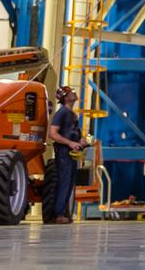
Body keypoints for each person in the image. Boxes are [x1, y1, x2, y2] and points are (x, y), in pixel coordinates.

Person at [48, 86, 88, 224]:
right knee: (64, 183)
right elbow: (52, 133)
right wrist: (70, 143)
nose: (74, 93)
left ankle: (64, 212)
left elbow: (73, 132)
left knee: (70, 183)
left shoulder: (71, 114)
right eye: (71, 92)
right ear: (65, 97)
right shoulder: (62, 113)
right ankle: (58, 214)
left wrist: (81, 140)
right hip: (64, 153)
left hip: (72, 153)